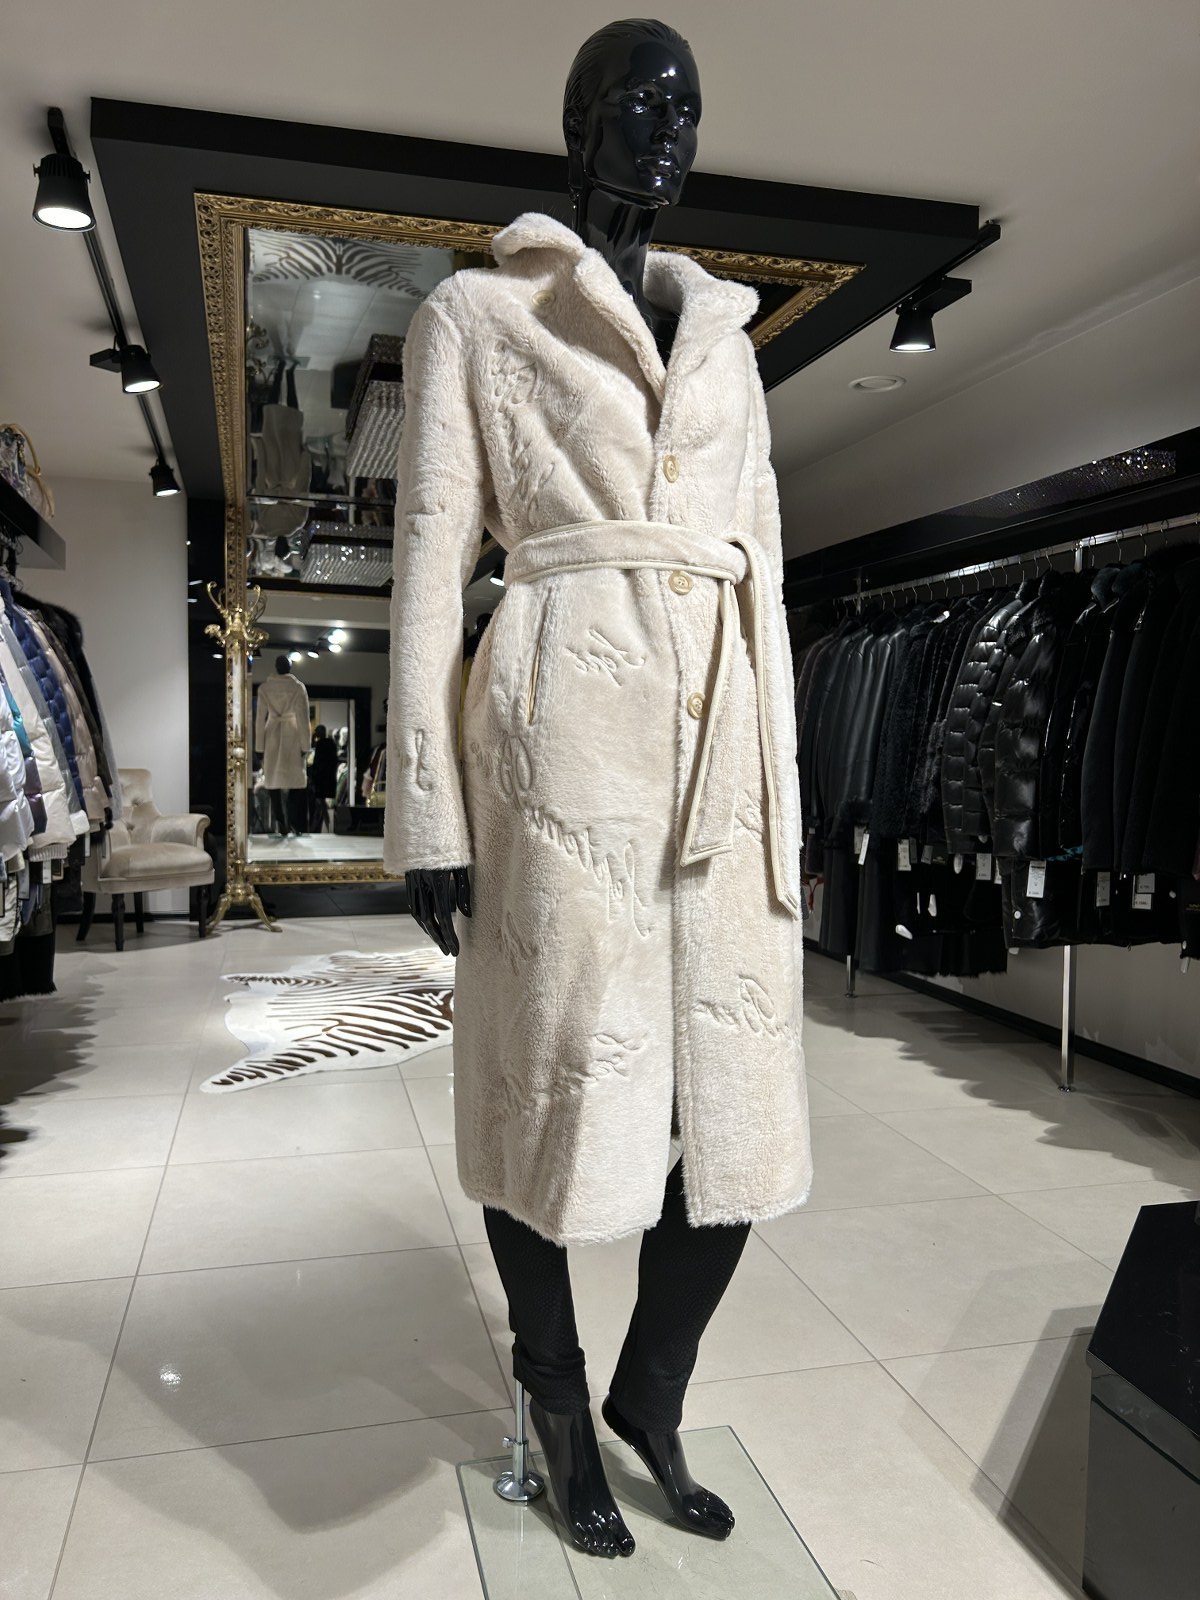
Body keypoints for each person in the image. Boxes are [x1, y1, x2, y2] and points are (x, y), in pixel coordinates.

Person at [386, 19, 810, 1560]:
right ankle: (557, 1395)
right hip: (558, 733)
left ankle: (652, 1389)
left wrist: (782, 801)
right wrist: (429, 807)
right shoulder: (480, 313)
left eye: (688, 108)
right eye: (640, 104)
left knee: (735, 1124)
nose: (669, 130)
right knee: (549, 1086)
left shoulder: (727, 342)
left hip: (719, 750)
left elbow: (768, 577)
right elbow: (431, 559)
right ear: (578, 127)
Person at [255, 655, 310, 837]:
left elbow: (259, 719)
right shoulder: (298, 687)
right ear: (289, 667)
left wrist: (259, 747)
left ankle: (281, 821)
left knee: (273, 782)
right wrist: (305, 746)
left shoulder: (265, 688)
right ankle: (292, 821)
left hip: (271, 733)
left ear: (276, 667)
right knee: (295, 782)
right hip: (292, 733)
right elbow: (303, 718)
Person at [309, 722, 338, 831]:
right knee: (321, 804)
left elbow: (317, 763)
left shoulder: (320, 745)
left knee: (320, 803)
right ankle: (327, 825)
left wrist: (313, 778)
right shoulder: (331, 744)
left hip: (321, 779)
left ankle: (325, 825)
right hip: (329, 778)